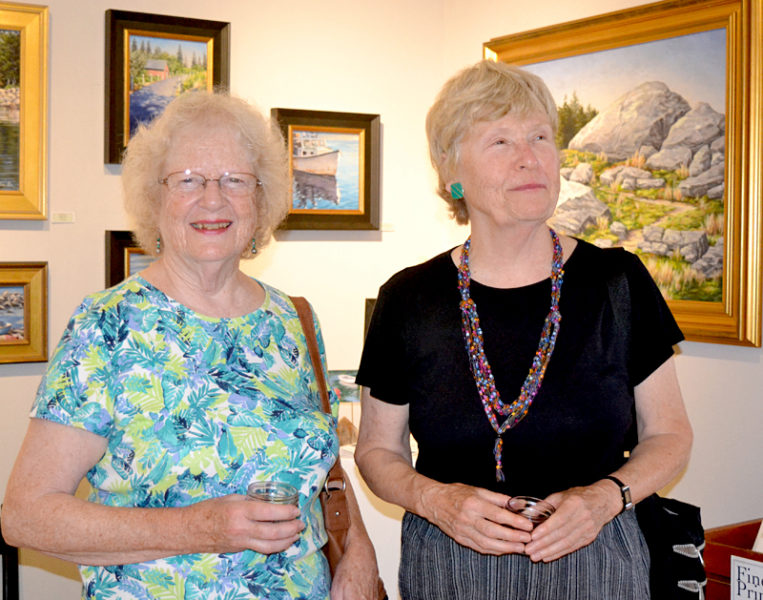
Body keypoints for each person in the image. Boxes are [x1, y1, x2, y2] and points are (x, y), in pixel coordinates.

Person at [1, 91, 380, 600]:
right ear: (154, 201)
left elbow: (321, 462)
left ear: (262, 199)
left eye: (235, 181)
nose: (213, 199)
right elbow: (26, 517)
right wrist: (200, 527)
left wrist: (358, 552)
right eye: (188, 180)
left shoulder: (294, 320)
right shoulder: (109, 325)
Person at [354, 60, 693, 599]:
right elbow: (376, 451)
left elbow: (671, 436)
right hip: (452, 563)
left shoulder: (617, 282)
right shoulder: (409, 298)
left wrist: (605, 498)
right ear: (451, 173)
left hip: (596, 556)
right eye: (501, 142)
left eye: (539, 136)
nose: (529, 157)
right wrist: (436, 501)